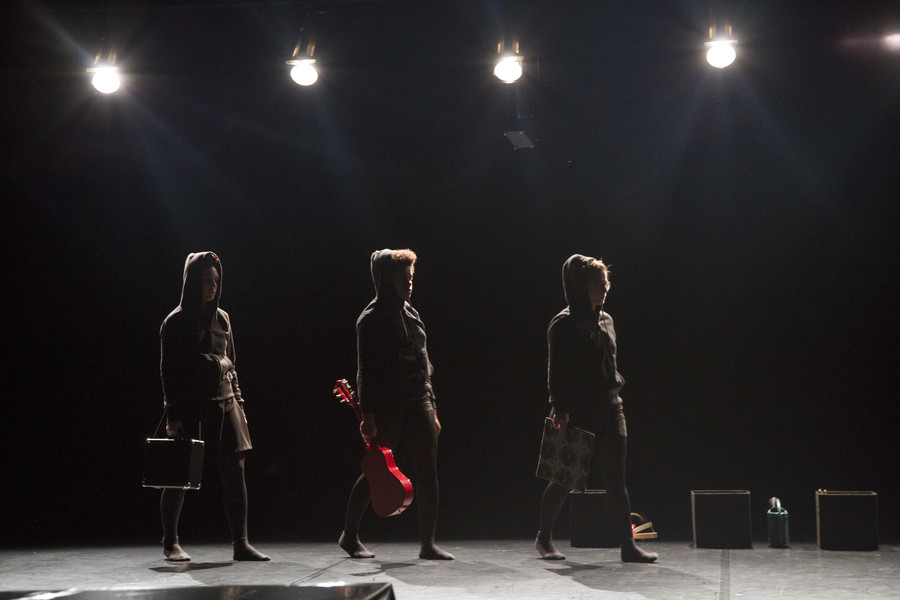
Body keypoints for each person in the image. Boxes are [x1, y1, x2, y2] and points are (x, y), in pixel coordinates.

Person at [535, 254, 658, 563]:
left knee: (616, 480)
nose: (605, 287)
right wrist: (559, 407)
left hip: (611, 408)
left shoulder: (607, 320)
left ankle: (628, 546)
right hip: (578, 412)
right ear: (581, 286)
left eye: (607, 282)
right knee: (564, 478)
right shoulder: (563, 324)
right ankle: (544, 538)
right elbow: (556, 370)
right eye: (598, 283)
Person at [339, 249, 454, 560]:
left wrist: (432, 406)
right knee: (378, 470)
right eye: (403, 278)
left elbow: (423, 361)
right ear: (386, 280)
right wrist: (368, 415)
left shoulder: (412, 313)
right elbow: (366, 371)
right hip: (389, 405)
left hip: (419, 400)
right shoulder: (370, 319)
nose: (409, 283)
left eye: (411, 278)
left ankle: (428, 544)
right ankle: (349, 535)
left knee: (427, 469)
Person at [158, 251, 269, 562]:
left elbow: (232, 365)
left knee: (235, 471)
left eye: (216, 281)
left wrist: (240, 405)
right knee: (179, 474)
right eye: (206, 280)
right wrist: (173, 414)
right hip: (192, 405)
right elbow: (170, 371)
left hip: (226, 403)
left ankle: (241, 544)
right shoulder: (175, 322)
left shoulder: (223, 319)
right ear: (192, 281)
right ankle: (170, 542)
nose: (212, 286)